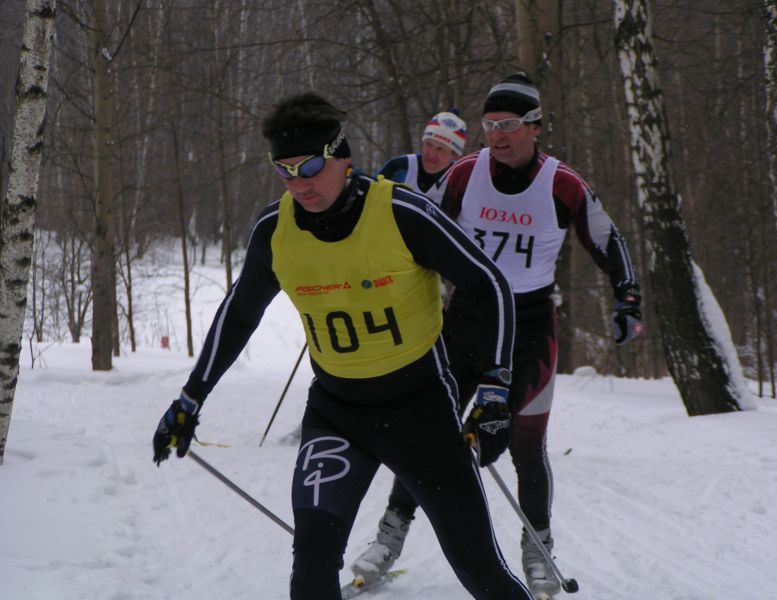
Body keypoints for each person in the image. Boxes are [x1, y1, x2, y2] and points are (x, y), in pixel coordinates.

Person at [152, 92, 533, 600]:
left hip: (420, 409)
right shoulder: (276, 231)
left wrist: (494, 387)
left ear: (342, 157)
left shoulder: (400, 211)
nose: (299, 183)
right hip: (338, 413)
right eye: (283, 170)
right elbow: (240, 313)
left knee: (478, 569)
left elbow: (490, 284)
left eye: (310, 166)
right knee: (312, 564)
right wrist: (190, 397)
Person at [352, 73, 643, 597]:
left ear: (534, 127)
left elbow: (607, 236)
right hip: (464, 321)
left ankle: (538, 550)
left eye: (508, 125)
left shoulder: (562, 183)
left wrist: (628, 296)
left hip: (531, 329)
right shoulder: (465, 174)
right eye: (489, 125)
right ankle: (388, 540)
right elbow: (416, 228)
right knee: (427, 434)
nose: (497, 136)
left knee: (521, 444)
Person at [377, 109, 467, 205]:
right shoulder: (400, 168)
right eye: (429, 144)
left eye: (440, 149)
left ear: (454, 155)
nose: (431, 154)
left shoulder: (460, 181)